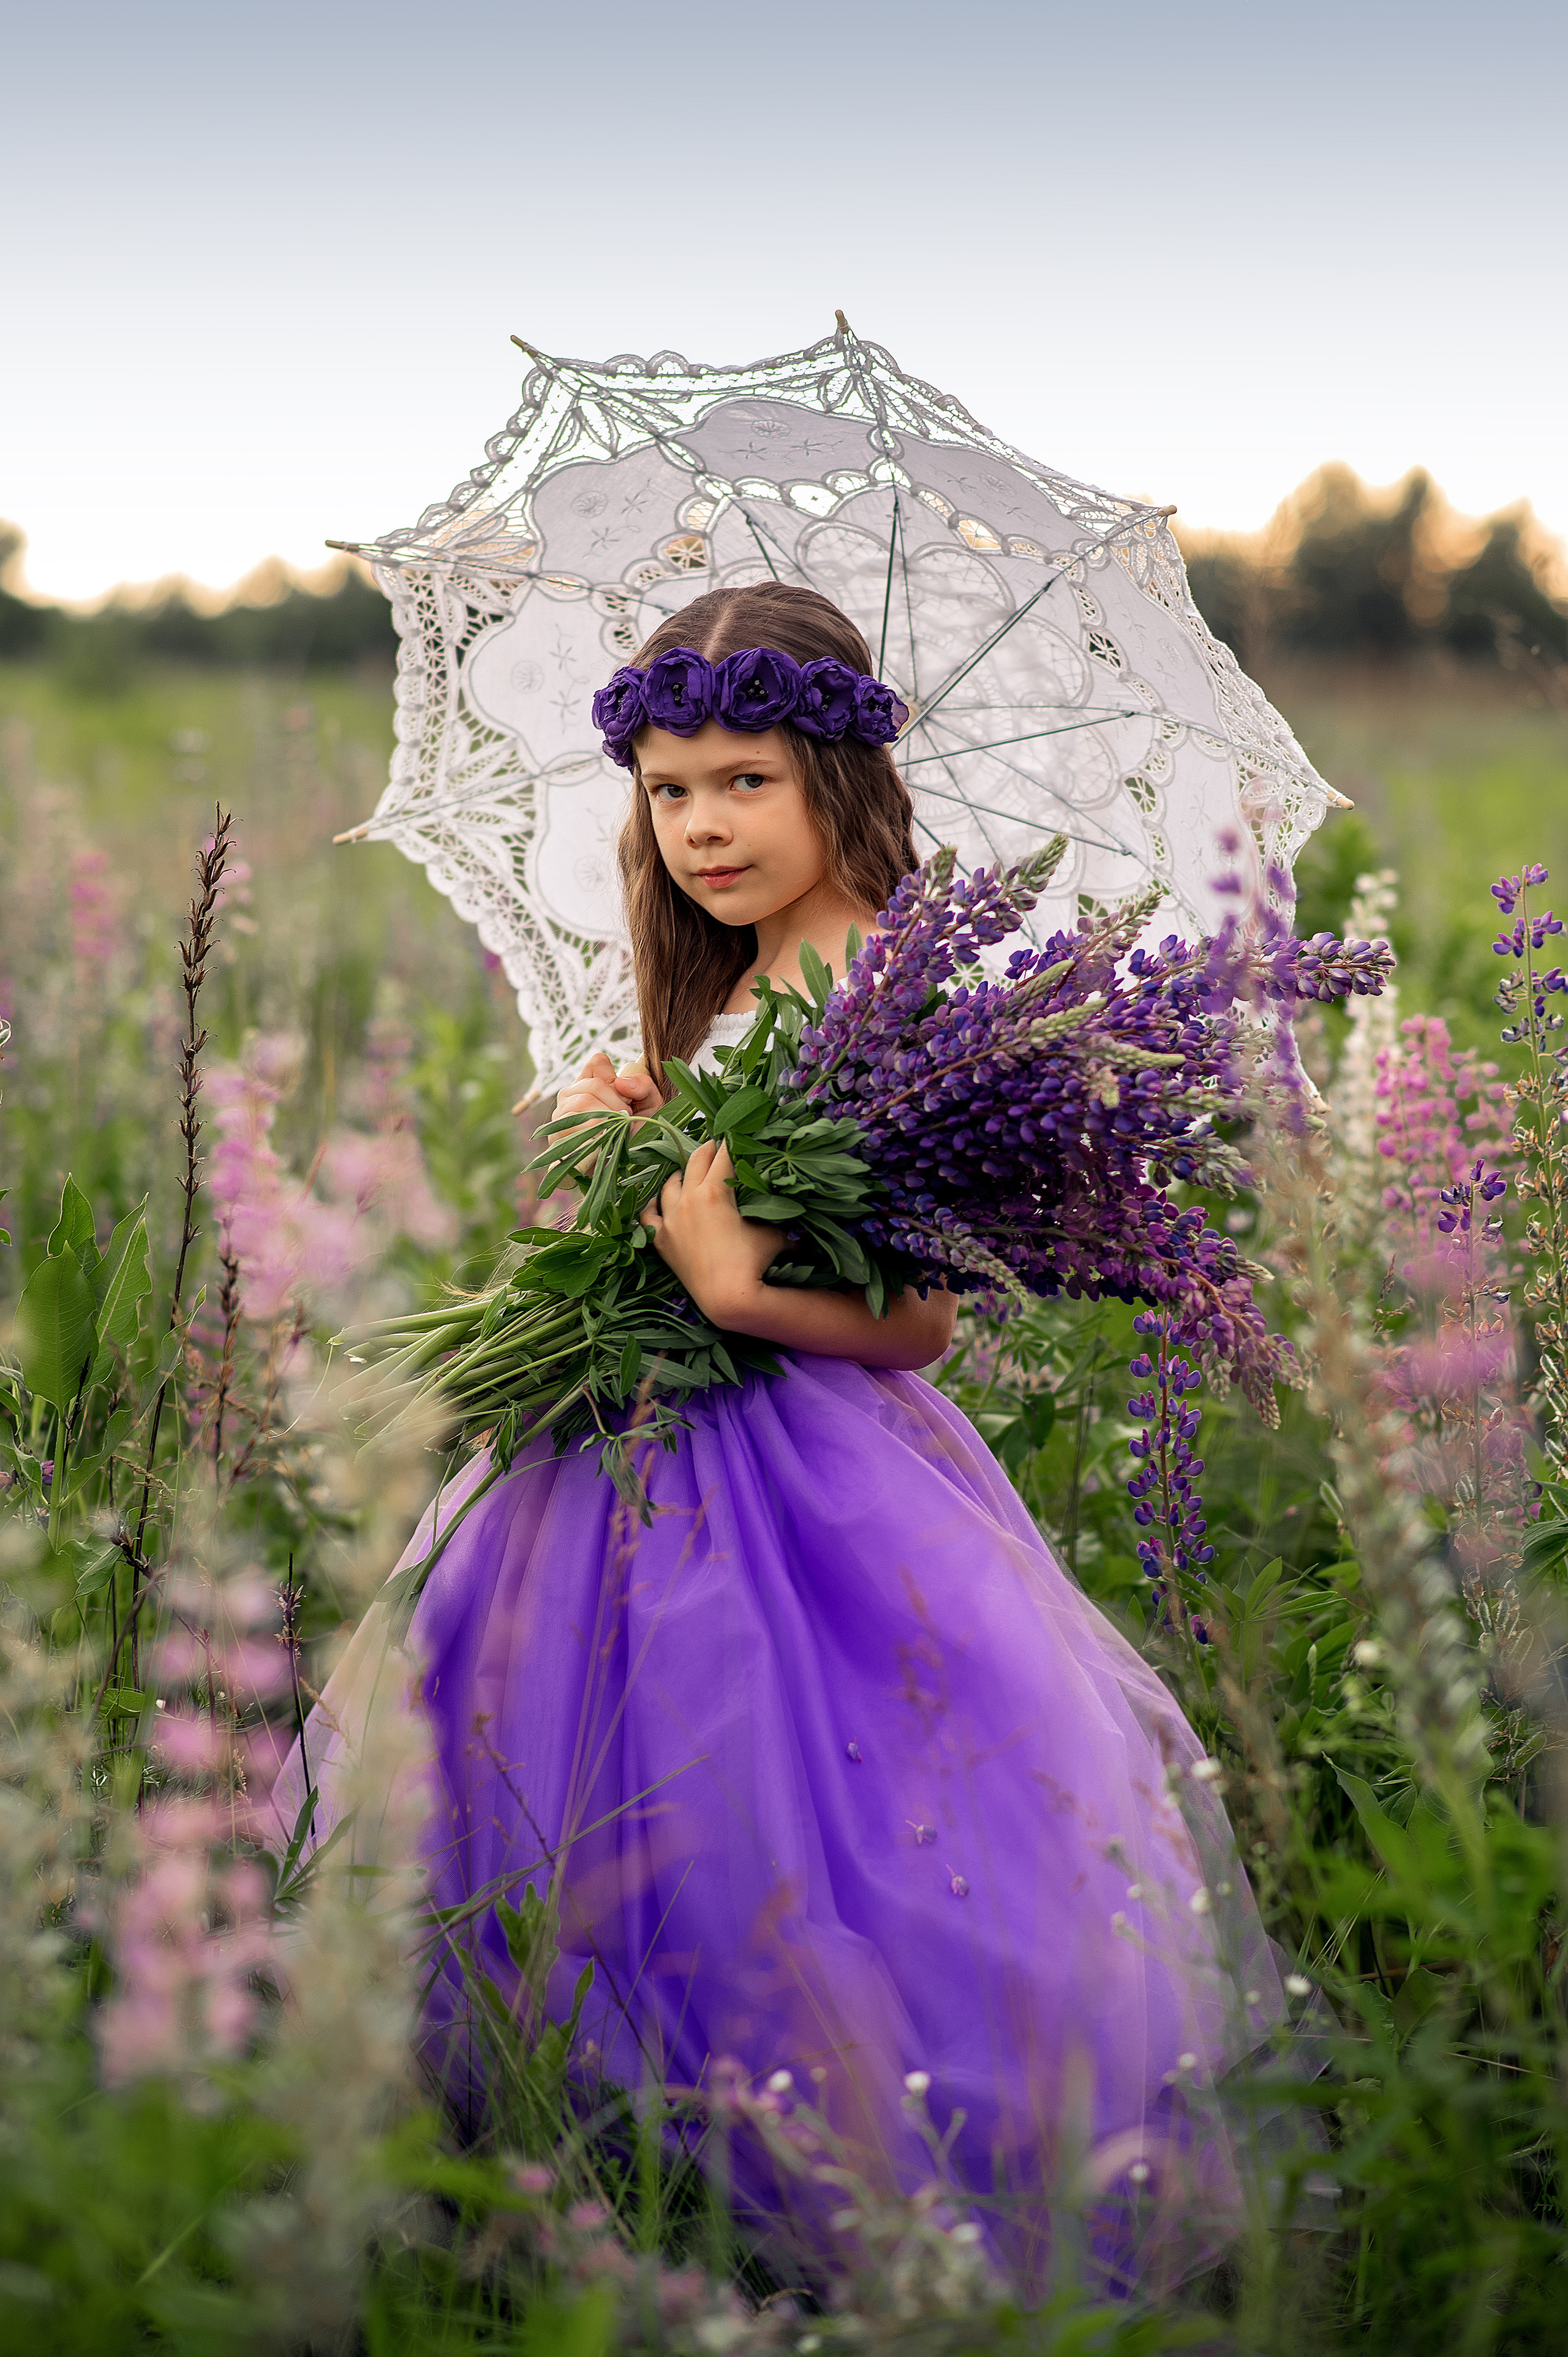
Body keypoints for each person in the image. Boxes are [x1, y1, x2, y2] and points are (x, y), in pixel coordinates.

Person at [276, 581, 1294, 2288]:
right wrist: (638, 1129)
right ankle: (573, 2165)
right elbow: (717, 1194)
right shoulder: (744, 982)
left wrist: (739, 1287)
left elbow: (920, 1318)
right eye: (670, 793)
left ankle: (824, 2188)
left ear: (839, 777)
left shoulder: (902, 989)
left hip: (806, 1479)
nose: (700, 827)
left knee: (796, 1815)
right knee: (568, 1794)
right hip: (616, 1446)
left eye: (744, 780)